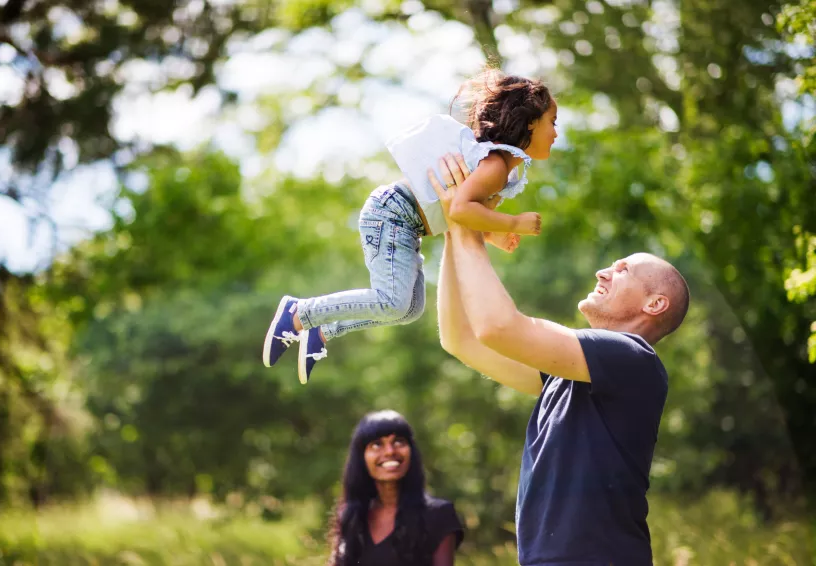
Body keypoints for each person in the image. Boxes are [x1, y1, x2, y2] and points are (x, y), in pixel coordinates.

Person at [429, 154, 690, 565]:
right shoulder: (566, 378)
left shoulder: (633, 358)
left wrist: (466, 215)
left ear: (655, 303)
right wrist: (455, 229)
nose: (604, 271)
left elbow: (497, 327)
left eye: (623, 270)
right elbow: (461, 339)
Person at [262, 67, 558, 383]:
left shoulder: (499, 168)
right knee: (392, 302)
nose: (555, 133)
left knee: (407, 310)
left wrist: (494, 234)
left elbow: (462, 211)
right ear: (530, 123)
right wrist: (513, 222)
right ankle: (299, 314)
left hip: (406, 225)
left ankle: (322, 330)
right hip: (393, 214)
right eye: (552, 123)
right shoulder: (495, 165)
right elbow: (459, 208)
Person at [327, 410, 464, 566]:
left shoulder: (438, 514)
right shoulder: (351, 516)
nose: (390, 451)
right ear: (361, 458)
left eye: (399, 441)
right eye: (377, 444)